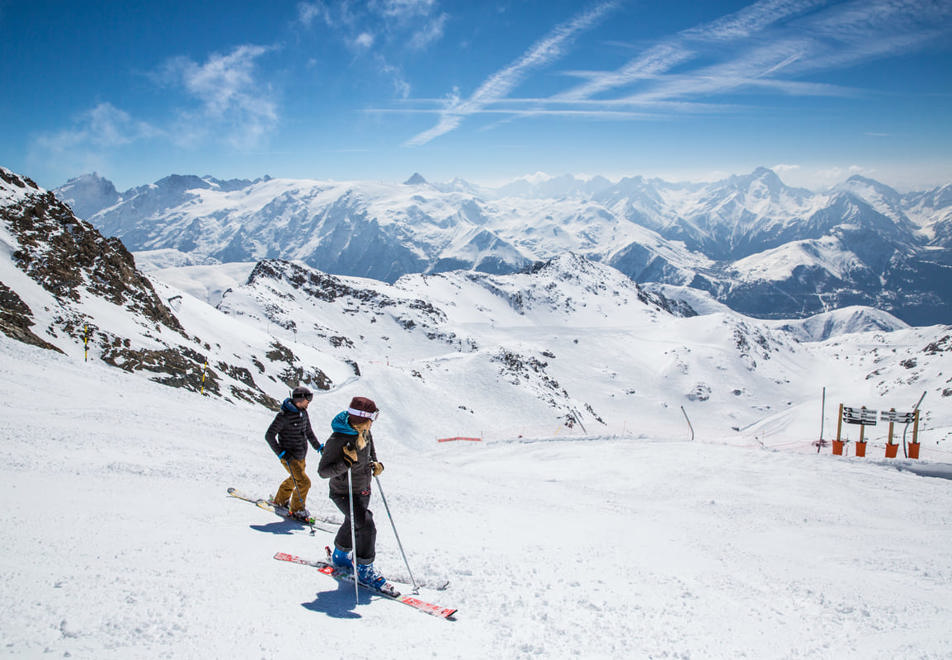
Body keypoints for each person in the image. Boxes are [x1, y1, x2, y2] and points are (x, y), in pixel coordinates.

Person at [318, 395, 390, 590]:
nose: (373, 422)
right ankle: (365, 570)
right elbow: (323, 471)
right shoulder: (337, 439)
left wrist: (376, 465)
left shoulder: (365, 432)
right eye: (371, 418)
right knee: (366, 525)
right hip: (343, 491)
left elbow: (370, 454)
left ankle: (340, 556)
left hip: (362, 488)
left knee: (353, 521)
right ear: (362, 418)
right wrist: (345, 464)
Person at [265, 386, 322, 522]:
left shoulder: (303, 413)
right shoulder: (283, 416)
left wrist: (318, 447)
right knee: (304, 482)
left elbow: (308, 432)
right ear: (300, 399)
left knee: (295, 478)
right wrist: (281, 453)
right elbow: (269, 435)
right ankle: (297, 510)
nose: (309, 402)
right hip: (289, 457)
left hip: (301, 454)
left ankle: (280, 500)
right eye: (308, 399)